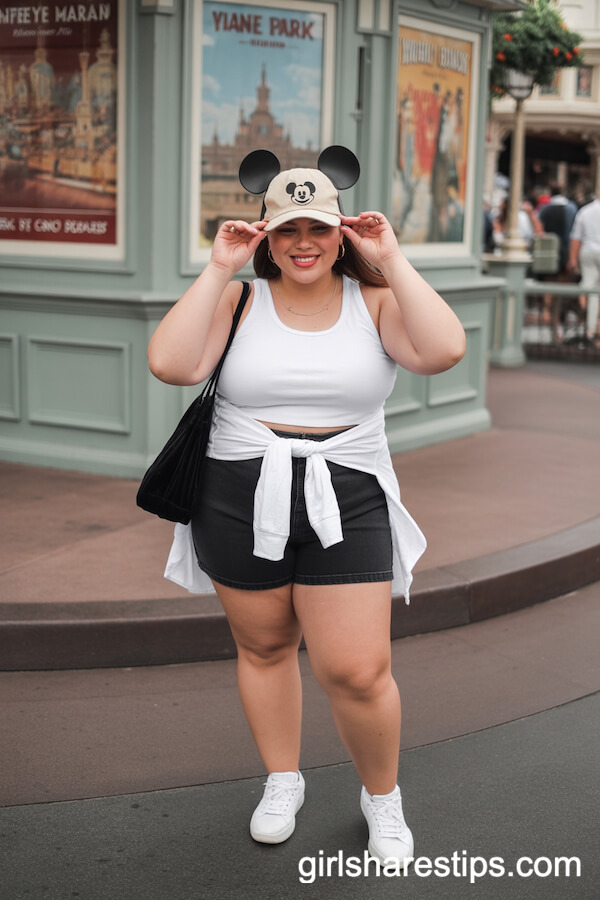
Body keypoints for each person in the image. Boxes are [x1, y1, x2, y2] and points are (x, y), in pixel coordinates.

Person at [147, 148, 466, 864]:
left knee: (357, 670)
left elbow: (445, 349)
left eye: (318, 228)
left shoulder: (373, 301)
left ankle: (382, 797)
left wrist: (390, 257)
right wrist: (219, 267)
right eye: (286, 228)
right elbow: (171, 364)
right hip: (237, 492)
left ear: (340, 232)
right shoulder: (239, 300)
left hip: (347, 492)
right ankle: (282, 779)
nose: (302, 243)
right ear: (265, 233)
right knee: (264, 648)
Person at [568, 190, 600, 343]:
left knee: (590, 290)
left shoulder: (585, 211)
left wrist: (572, 259)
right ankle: (596, 328)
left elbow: (576, 237)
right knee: (594, 290)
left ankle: (590, 329)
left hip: (587, 251)